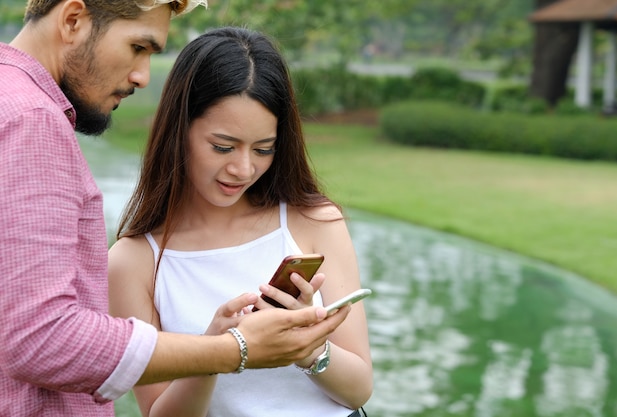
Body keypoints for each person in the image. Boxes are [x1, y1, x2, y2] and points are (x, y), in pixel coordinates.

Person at [0, 2, 349, 416]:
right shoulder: (31, 120)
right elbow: (43, 338)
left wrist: (305, 350)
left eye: (262, 148)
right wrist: (230, 350)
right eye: (137, 47)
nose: (143, 77)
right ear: (73, 19)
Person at [108, 27, 373, 417]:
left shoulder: (314, 222)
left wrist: (309, 346)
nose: (243, 168)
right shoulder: (133, 262)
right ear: (179, 129)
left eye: (264, 149)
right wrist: (215, 350)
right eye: (223, 146)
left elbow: (359, 391)